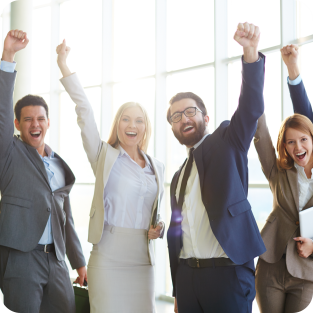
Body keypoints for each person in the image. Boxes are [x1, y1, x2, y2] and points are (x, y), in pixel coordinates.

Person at [56, 39, 165, 313]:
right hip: (108, 255)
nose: (132, 125)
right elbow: (85, 112)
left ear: (145, 127)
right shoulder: (104, 156)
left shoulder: (157, 167)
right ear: (118, 124)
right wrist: (64, 65)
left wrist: (158, 227)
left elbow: (153, 213)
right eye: (126, 119)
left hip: (143, 258)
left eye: (139, 120)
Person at [166, 22, 266, 313]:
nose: (183, 118)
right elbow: (178, 233)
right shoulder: (177, 177)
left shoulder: (227, 140)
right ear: (172, 127)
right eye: (175, 116)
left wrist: (250, 53)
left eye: (190, 111)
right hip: (187, 278)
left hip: (227, 275)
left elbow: (250, 108)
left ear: (205, 118)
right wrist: (178, 289)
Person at [0, 30, 86, 313]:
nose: (34, 124)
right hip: (23, 259)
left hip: (58, 261)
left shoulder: (58, 164)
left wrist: (79, 262)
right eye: (27, 120)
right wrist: (8, 56)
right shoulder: (10, 153)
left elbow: (66, 218)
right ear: (17, 124)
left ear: (48, 123)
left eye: (40, 119)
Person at [254, 44, 313, 313]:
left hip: (305, 273)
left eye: (303, 139)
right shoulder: (278, 171)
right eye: (290, 142)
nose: (297, 147)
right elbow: (260, 131)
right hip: (271, 264)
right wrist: (254, 80)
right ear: (284, 146)